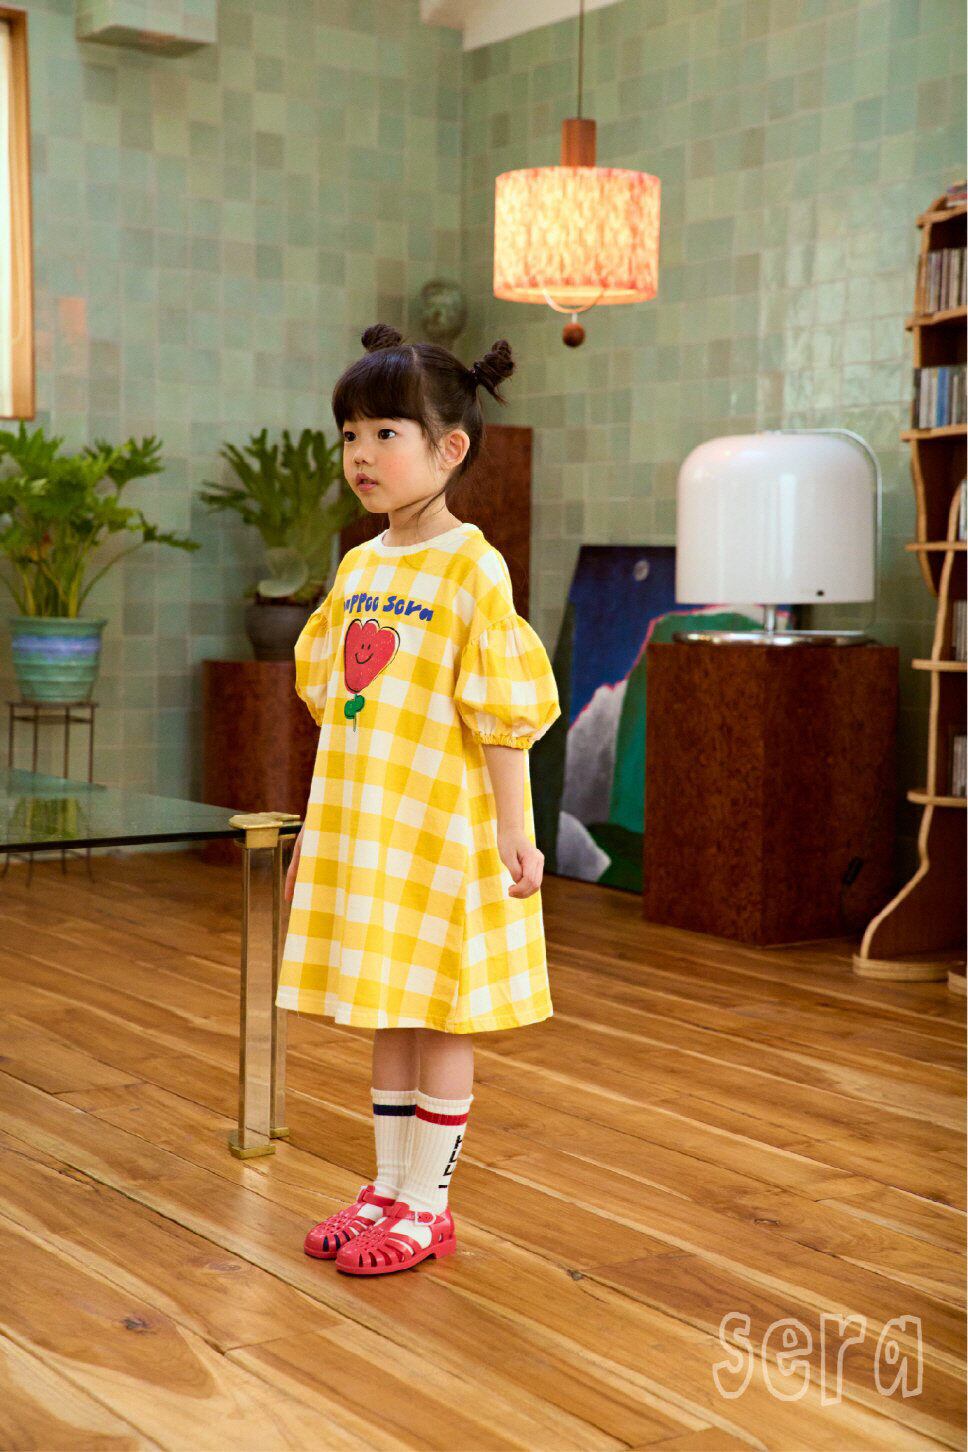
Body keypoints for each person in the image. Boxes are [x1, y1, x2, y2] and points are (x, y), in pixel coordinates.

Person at [275, 322, 561, 1277]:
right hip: (371, 829)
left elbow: (501, 712)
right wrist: (315, 836)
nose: (362, 454)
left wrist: (515, 831)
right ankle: (388, 1186)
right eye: (350, 435)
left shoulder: (473, 566)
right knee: (390, 1009)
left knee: (442, 1013)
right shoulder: (360, 568)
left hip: (446, 832)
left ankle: (429, 1205)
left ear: (449, 449)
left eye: (385, 433)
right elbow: (340, 715)